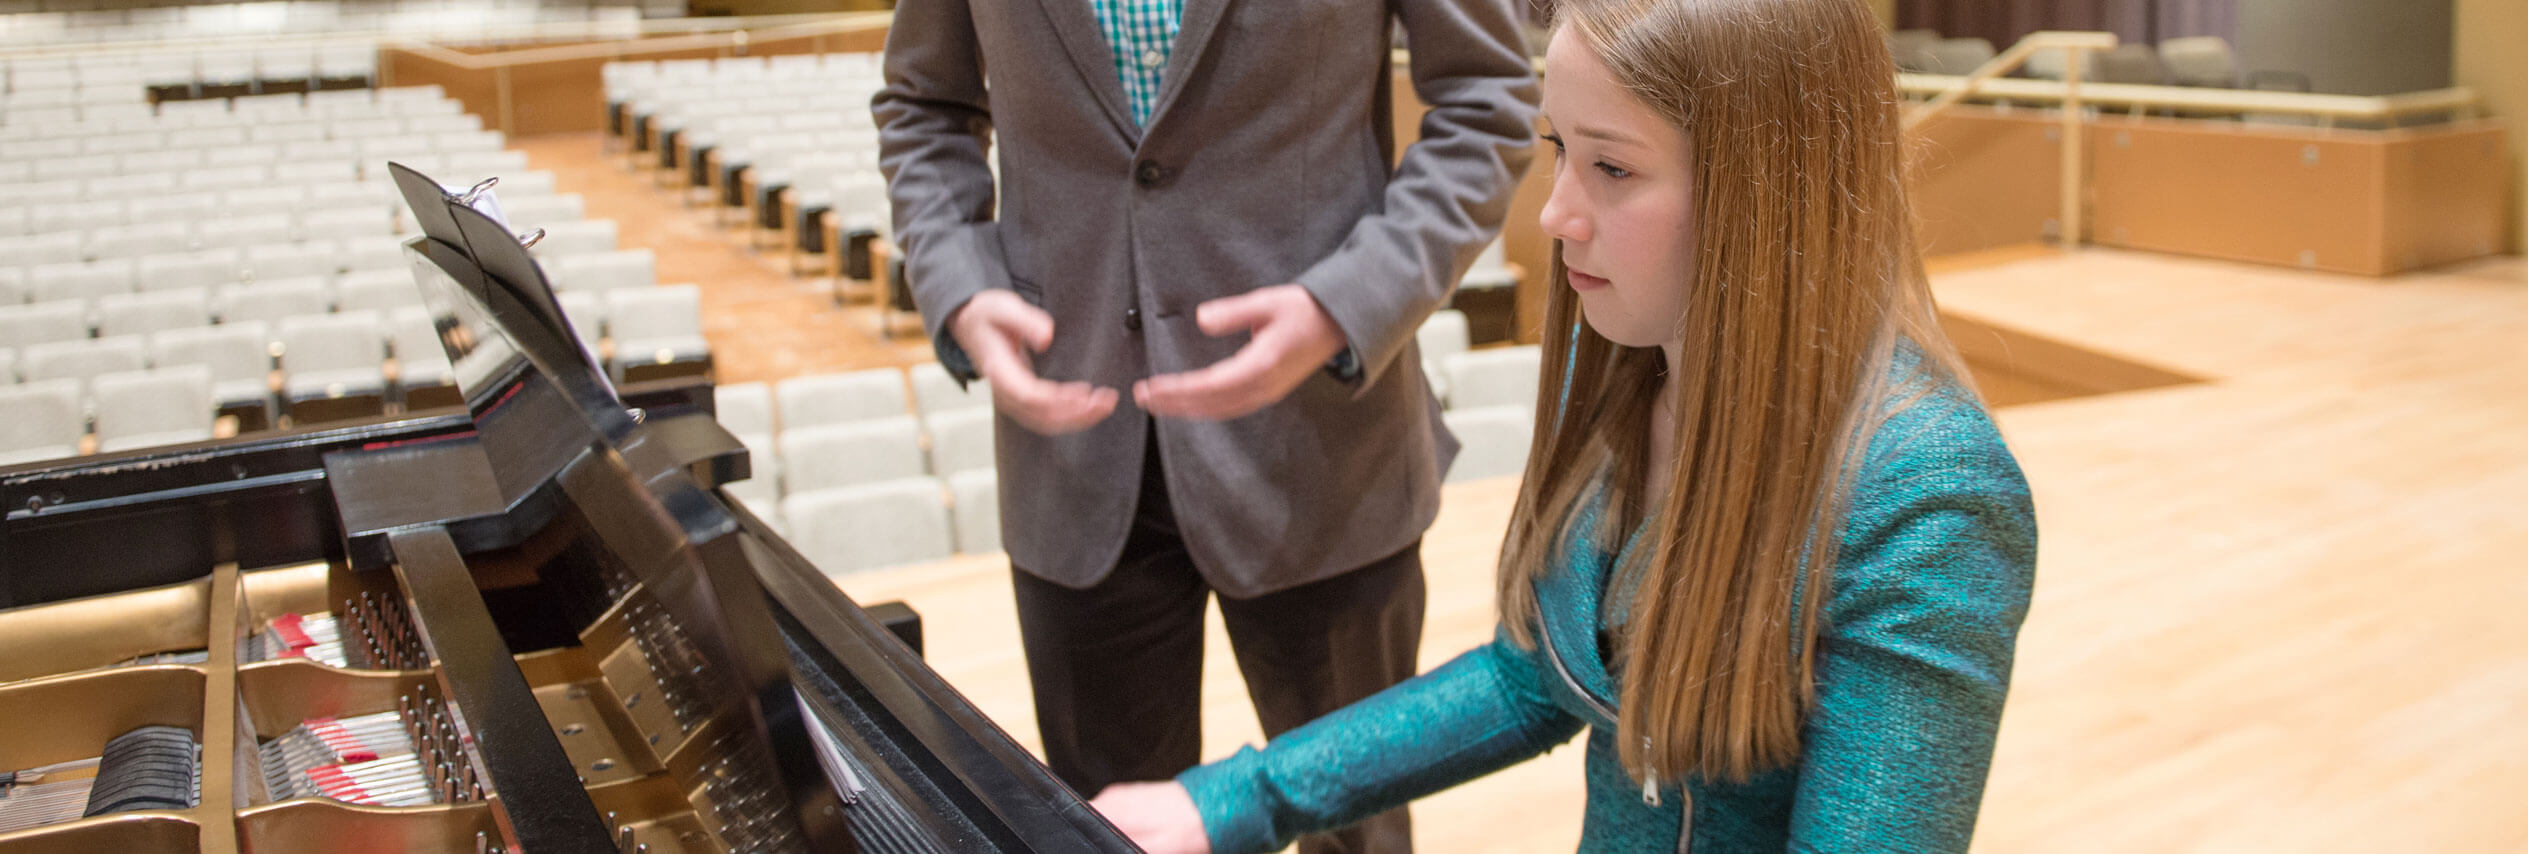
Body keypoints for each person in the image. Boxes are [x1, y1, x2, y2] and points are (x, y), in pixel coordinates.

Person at [1087, 0, 2039, 850]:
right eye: (1557, 151)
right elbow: (1531, 678)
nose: (1554, 215)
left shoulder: (1930, 501)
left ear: (1765, 193)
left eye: (1612, 167)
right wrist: (1234, 801)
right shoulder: (1622, 350)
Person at [873, 0, 1542, 851]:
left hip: (1323, 445)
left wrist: (1349, 303)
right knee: (1105, 829)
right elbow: (924, 104)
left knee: (1357, 825)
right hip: (1075, 454)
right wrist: (959, 282)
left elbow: (1488, 96)